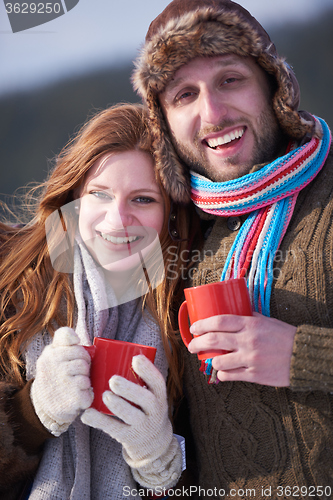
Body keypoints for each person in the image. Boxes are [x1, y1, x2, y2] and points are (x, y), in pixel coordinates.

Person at [132, 0, 333, 497]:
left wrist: (302, 355)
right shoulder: (172, 230)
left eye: (229, 79)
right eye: (184, 95)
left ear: (273, 86)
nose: (213, 113)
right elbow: (61, 240)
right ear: (163, 124)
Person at [0, 103, 198, 499]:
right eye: (100, 194)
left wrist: (158, 459)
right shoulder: (11, 273)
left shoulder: (182, 301)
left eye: (143, 200)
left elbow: (222, 473)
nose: (116, 219)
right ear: (75, 195)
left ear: (171, 213)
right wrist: (34, 411)